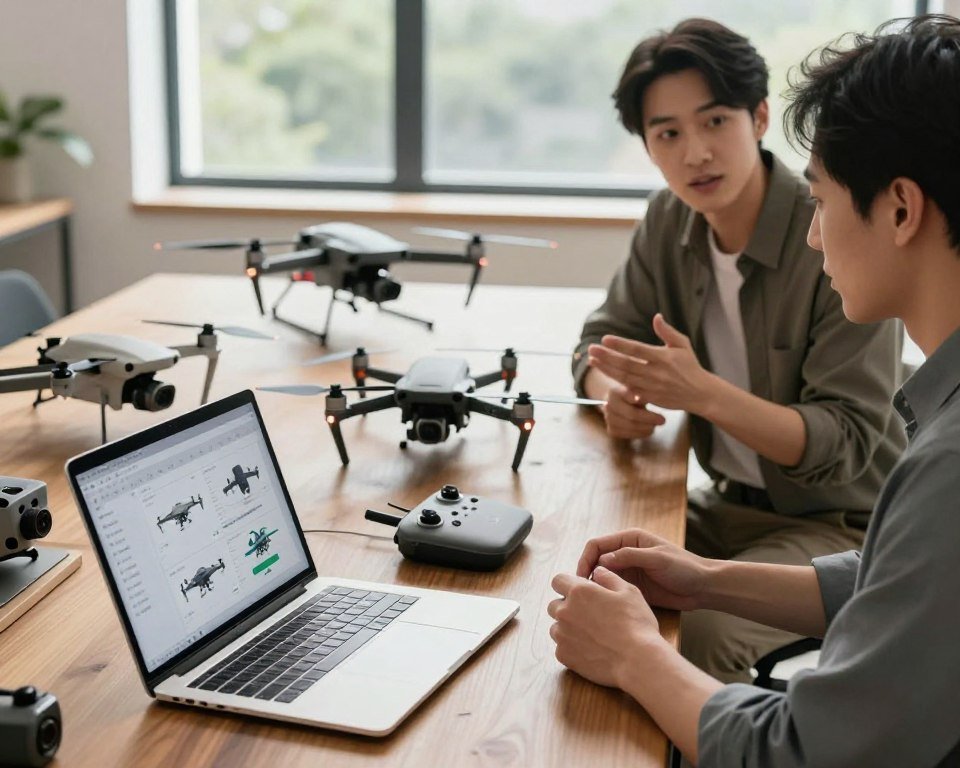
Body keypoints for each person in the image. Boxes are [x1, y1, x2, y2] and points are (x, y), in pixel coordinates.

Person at [551, 14, 960, 766]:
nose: (814, 232)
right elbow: (896, 579)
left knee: (661, 643)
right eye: (666, 133)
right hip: (739, 515)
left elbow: (807, 750)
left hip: (827, 515)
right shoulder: (671, 221)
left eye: (825, 200)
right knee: (587, 564)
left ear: (899, 210)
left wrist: (638, 656)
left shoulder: (945, 467)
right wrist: (703, 577)